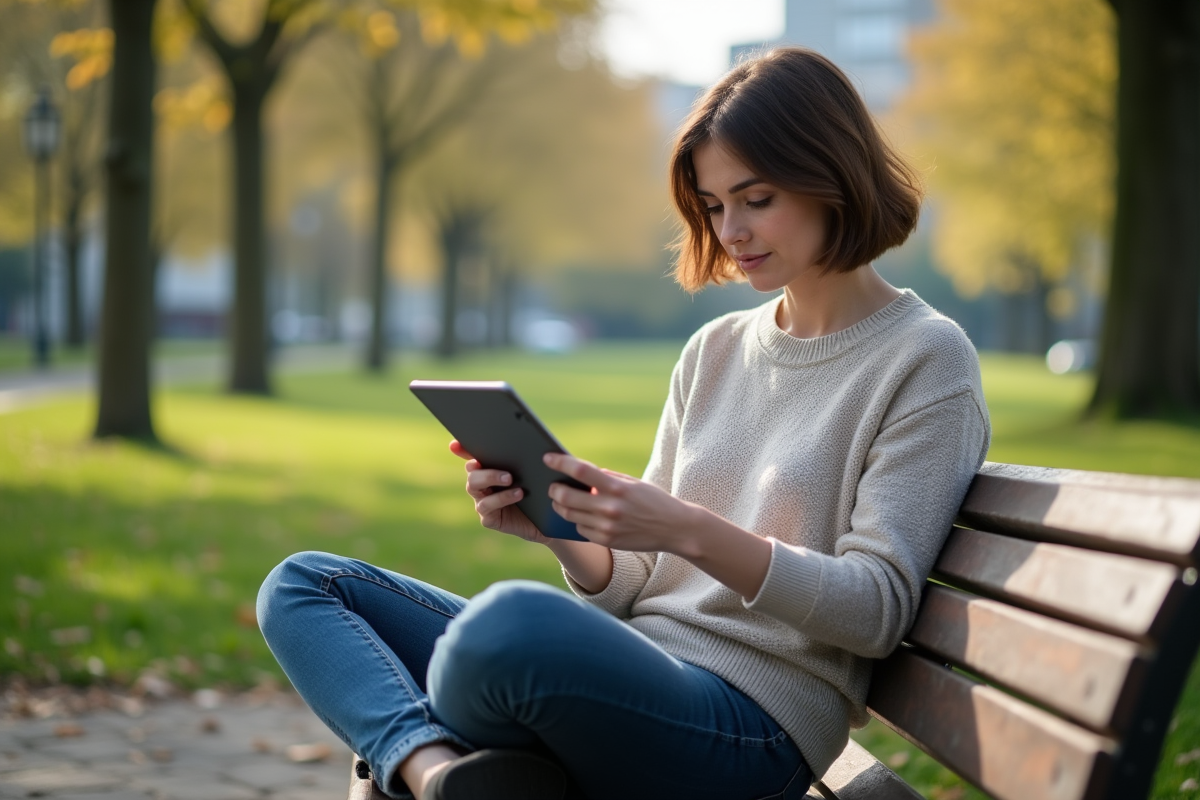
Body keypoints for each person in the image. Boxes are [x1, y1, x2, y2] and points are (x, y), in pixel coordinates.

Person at [256, 47, 990, 800]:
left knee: (504, 631)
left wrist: (686, 528)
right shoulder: (716, 349)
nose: (730, 230)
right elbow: (642, 583)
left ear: (831, 175)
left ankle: (429, 765)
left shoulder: (925, 358)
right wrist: (562, 535)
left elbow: (874, 610)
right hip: (638, 678)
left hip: (752, 729)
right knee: (308, 585)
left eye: (756, 198)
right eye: (712, 206)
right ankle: (440, 776)